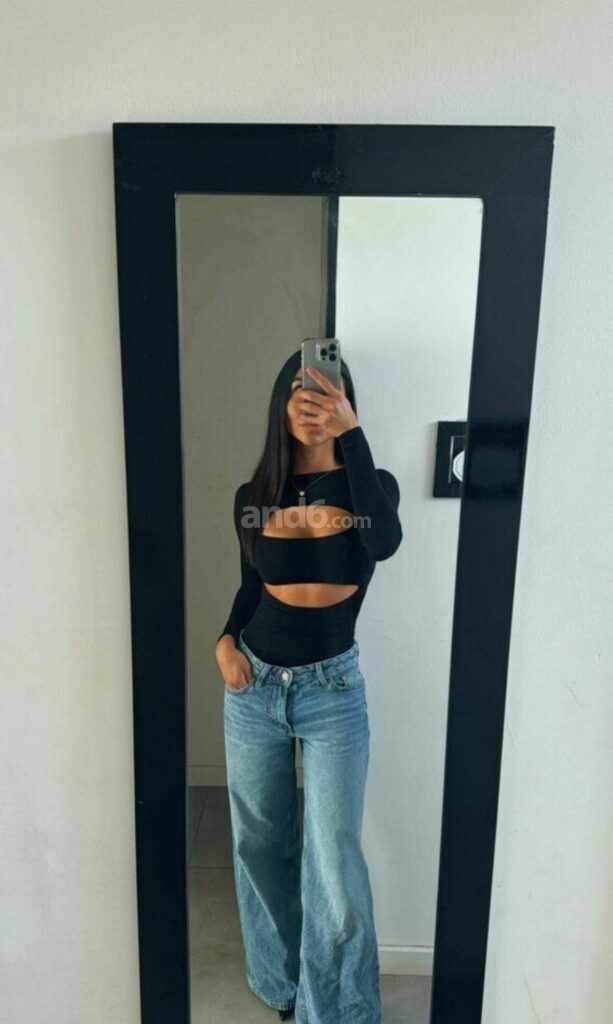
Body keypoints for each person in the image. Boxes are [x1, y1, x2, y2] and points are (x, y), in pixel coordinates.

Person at [214, 347, 402, 1023]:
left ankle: (340, 1010)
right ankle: (280, 982)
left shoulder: (370, 486)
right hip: (254, 685)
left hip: (332, 691)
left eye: (328, 389)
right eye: (300, 387)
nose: (312, 399)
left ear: (345, 402)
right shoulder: (253, 498)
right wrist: (223, 640)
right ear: (281, 401)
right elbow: (252, 588)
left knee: (333, 856)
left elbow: (383, 543)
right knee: (260, 842)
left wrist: (351, 435)